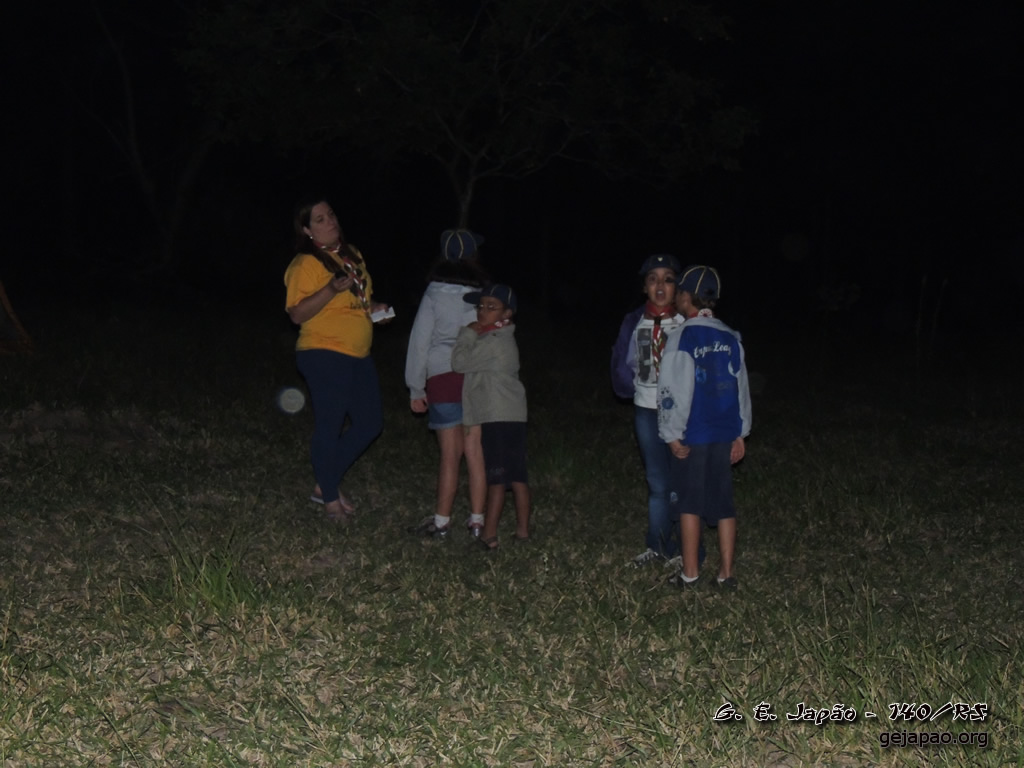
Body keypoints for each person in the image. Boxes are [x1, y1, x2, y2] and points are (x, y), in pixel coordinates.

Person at [284, 198, 391, 523]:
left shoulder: (352, 254)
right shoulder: (305, 264)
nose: (330, 221)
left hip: (358, 353)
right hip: (323, 352)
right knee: (329, 425)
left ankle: (324, 482)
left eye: (330, 214)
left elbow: (360, 302)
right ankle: (330, 499)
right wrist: (330, 289)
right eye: (320, 219)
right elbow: (297, 313)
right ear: (307, 229)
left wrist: (375, 310)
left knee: (370, 423)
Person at [658, 265, 751, 589]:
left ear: (686, 297)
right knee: (724, 504)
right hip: (724, 434)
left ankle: (690, 573)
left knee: (689, 503)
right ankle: (726, 574)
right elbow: (741, 388)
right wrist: (741, 432)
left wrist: (671, 434)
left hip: (693, 434)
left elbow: (674, 391)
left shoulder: (682, 337)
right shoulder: (731, 336)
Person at [405, 229, 490, 538]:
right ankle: (478, 522)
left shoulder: (433, 293)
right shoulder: (484, 295)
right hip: (475, 378)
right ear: (472, 256)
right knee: (475, 452)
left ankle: (441, 523)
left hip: (442, 377)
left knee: (450, 455)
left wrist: (416, 387)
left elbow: (420, 342)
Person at [611, 254, 688, 568]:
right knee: (657, 483)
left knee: (681, 482)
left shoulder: (686, 322)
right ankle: (656, 547)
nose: (660, 285)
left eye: (668, 279)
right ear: (644, 286)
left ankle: (684, 549)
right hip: (645, 409)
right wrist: (625, 386)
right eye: (653, 279)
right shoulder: (634, 321)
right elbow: (621, 359)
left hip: (681, 414)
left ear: (677, 287)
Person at [451, 284, 529, 550]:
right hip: (513, 414)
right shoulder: (501, 337)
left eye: (491, 307)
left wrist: (467, 333)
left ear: (507, 313)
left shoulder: (494, 341)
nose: (482, 312)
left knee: (497, 477)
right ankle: (522, 533)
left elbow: (459, 363)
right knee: (517, 476)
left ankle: (489, 536)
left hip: (497, 416)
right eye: (480, 306)